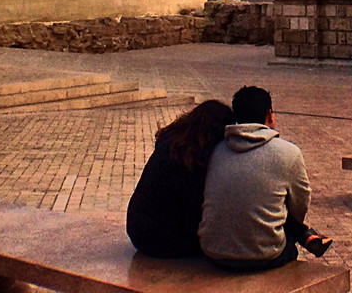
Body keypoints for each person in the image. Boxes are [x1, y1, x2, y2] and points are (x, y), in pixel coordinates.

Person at [199, 86, 332, 269]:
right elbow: (300, 205)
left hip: (214, 250)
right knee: (283, 224)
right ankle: (307, 236)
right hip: (264, 255)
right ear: (270, 115)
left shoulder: (217, 149)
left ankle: (307, 236)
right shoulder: (288, 152)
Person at [126, 100, 234, 258]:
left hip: (139, 227)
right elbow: (191, 219)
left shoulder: (174, 144)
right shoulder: (189, 161)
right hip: (158, 238)